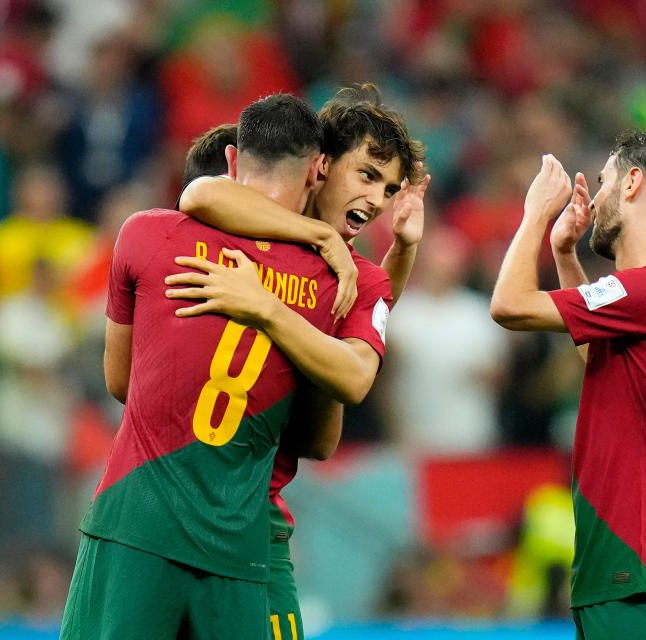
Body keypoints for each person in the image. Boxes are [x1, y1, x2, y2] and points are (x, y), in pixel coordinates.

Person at [59, 94, 342, 640]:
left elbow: (119, 382)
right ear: (317, 170)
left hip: (134, 518)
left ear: (233, 162)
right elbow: (322, 438)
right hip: (238, 539)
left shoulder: (147, 234)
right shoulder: (328, 280)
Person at [164, 84, 427, 639]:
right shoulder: (257, 223)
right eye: (367, 175)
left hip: (259, 509)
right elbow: (200, 195)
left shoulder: (349, 270)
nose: (379, 199)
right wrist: (318, 236)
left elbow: (363, 322)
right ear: (320, 166)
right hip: (185, 493)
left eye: (390, 188)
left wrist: (400, 251)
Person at [490, 130, 646, 640]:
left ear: (633, 182)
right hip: (627, 565)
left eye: (602, 181)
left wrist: (533, 213)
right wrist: (564, 253)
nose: (592, 199)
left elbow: (508, 304)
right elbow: (598, 355)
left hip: (639, 559)